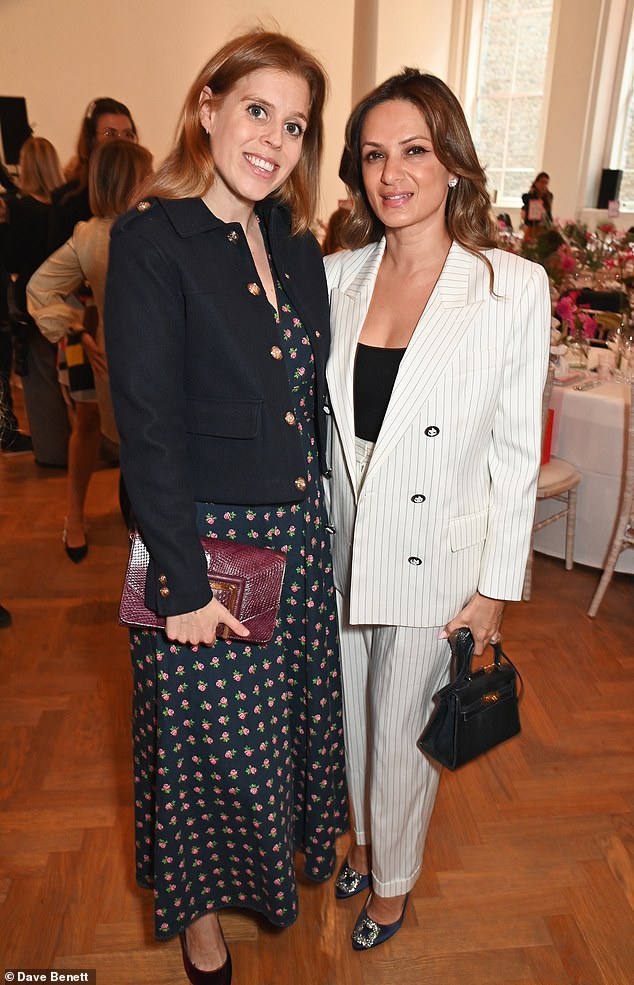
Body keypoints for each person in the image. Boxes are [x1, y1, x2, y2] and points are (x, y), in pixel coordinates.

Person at [104, 31, 347, 985]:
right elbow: (149, 426)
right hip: (201, 541)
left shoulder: (294, 242)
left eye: (294, 125)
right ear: (207, 106)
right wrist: (178, 581)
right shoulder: (154, 237)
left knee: (274, 730)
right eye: (259, 111)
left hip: (291, 530)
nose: (275, 140)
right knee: (204, 749)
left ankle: (276, 861)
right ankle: (201, 927)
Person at [323, 69, 550, 950]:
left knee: (400, 733)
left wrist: (496, 588)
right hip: (345, 539)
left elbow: (516, 453)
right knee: (348, 715)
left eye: (413, 150)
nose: (392, 173)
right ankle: (364, 836)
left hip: (434, 551)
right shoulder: (339, 274)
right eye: (375, 154)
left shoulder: (508, 286)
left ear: (452, 161)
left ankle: (394, 881)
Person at [27, 140, 153, 560]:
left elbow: (40, 289)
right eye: (147, 172)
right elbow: (39, 290)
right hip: (131, 370)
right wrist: (78, 327)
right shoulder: (143, 231)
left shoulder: (95, 235)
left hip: (117, 369)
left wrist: (77, 326)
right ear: (128, 180)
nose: (155, 179)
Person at [1, 137, 69, 465]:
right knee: (67, 375)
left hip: (30, 293)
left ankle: (52, 451)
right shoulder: (62, 202)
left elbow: (11, 258)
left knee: (39, 377)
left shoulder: (23, 207)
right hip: (64, 292)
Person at [48, 97, 138, 253]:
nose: (121, 142)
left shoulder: (146, 196)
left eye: (128, 134)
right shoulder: (68, 201)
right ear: (91, 140)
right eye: (110, 133)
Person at [521, 171, 553, 237]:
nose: (544, 185)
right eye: (542, 182)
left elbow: (549, 212)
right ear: (536, 183)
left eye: (546, 183)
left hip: (544, 228)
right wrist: (534, 194)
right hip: (532, 227)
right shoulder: (529, 196)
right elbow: (526, 199)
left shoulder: (549, 196)